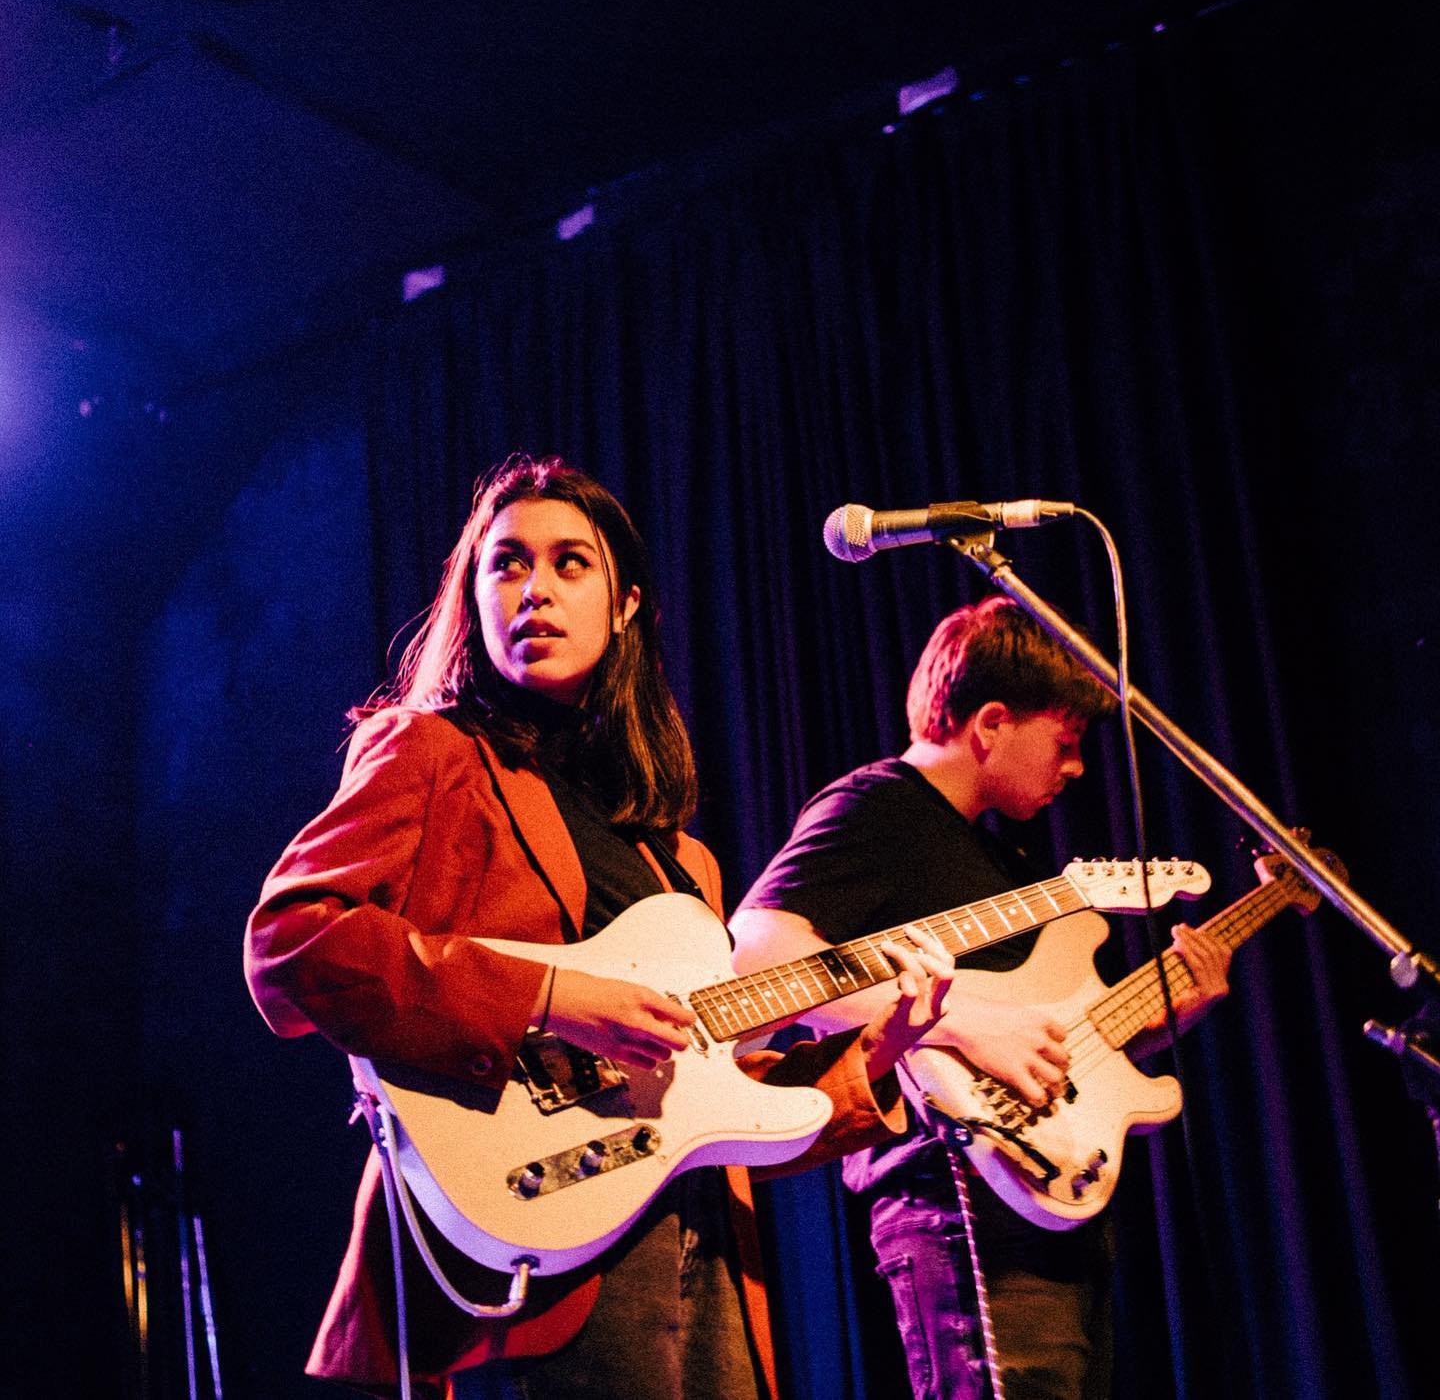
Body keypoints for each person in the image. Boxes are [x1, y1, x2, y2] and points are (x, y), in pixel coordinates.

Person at [243, 454, 957, 1400]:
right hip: (537, 1259)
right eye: (506, 563)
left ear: (625, 607)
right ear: (474, 596)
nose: (534, 587)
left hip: (704, 1254)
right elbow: (293, 941)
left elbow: (720, 1099)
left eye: (569, 562)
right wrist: (551, 995)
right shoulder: (430, 753)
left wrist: (876, 1051)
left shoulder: (681, 859)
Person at [730, 595, 1232, 1400]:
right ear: (992, 722)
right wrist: (965, 1021)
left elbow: (1037, 1040)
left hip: (1051, 1189)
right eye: (1066, 741)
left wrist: (1148, 1032)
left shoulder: (1007, 863)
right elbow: (758, 952)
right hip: (955, 1190)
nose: (1077, 767)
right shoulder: (878, 806)